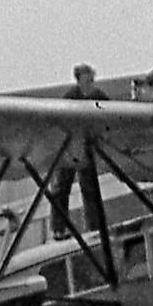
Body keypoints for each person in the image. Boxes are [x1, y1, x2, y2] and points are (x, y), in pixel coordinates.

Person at [51, 64, 108, 238]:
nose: (91, 84)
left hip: (86, 146)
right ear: (79, 81)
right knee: (62, 187)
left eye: (92, 80)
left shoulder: (98, 96)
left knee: (90, 187)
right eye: (87, 81)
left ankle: (94, 226)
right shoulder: (70, 98)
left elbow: (111, 112)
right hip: (69, 148)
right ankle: (59, 228)